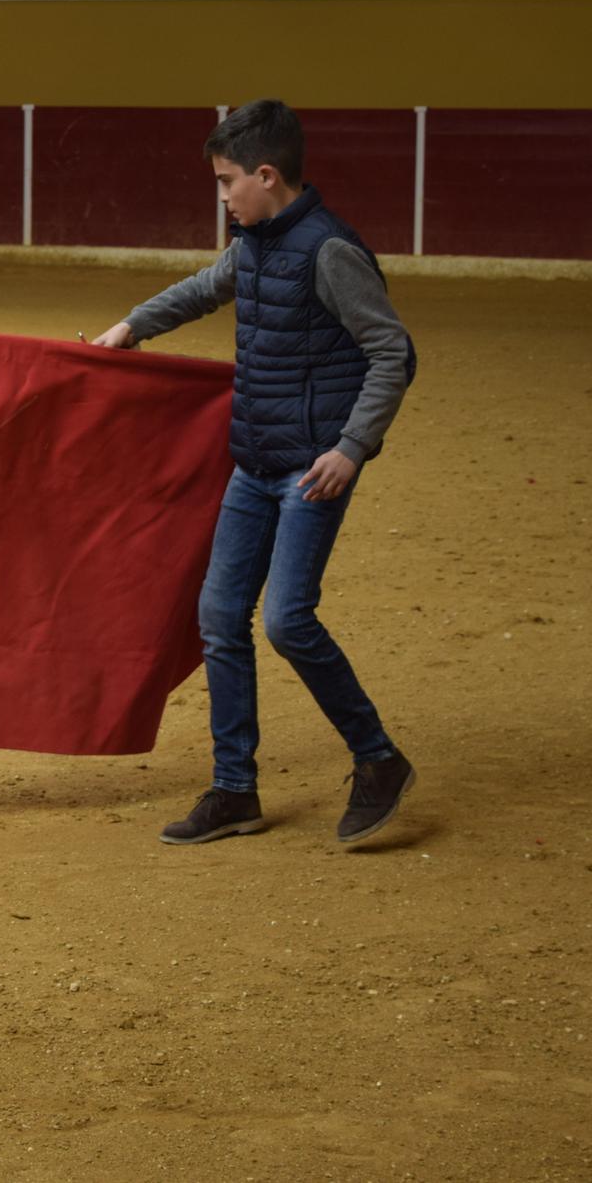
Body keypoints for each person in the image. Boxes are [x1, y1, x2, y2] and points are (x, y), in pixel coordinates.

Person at [91, 99, 417, 847]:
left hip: (312, 470)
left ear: (267, 176)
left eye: (227, 181)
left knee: (287, 620)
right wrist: (131, 326)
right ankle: (235, 788)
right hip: (255, 464)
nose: (222, 195)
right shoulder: (258, 243)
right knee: (218, 617)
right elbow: (204, 290)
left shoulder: (328, 252)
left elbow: (393, 352)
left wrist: (351, 447)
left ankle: (379, 759)